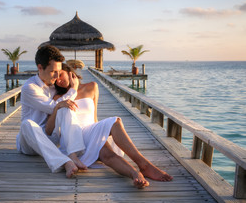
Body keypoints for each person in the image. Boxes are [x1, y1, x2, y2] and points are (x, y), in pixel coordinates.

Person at [45, 63, 173, 189]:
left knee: (109, 149)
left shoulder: (92, 87)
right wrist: (58, 106)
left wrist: (101, 135)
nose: (59, 81)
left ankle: (137, 172)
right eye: (56, 80)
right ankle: (141, 166)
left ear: (69, 72)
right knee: (111, 136)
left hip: (91, 129)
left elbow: (94, 116)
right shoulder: (59, 97)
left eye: (60, 75)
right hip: (73, 138)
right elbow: (49, 130)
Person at [16, 45, 86, 178]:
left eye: (59, 71)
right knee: (27, 124)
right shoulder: (29, 88)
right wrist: (73, 90)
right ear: (40, 67)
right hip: (30, 142)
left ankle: (73, 153)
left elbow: (64, 105)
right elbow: (53, 106)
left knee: (66, 107)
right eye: (53, 71)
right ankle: (65, 162)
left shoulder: (56, 86)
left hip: (52, 138)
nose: (57, 76)